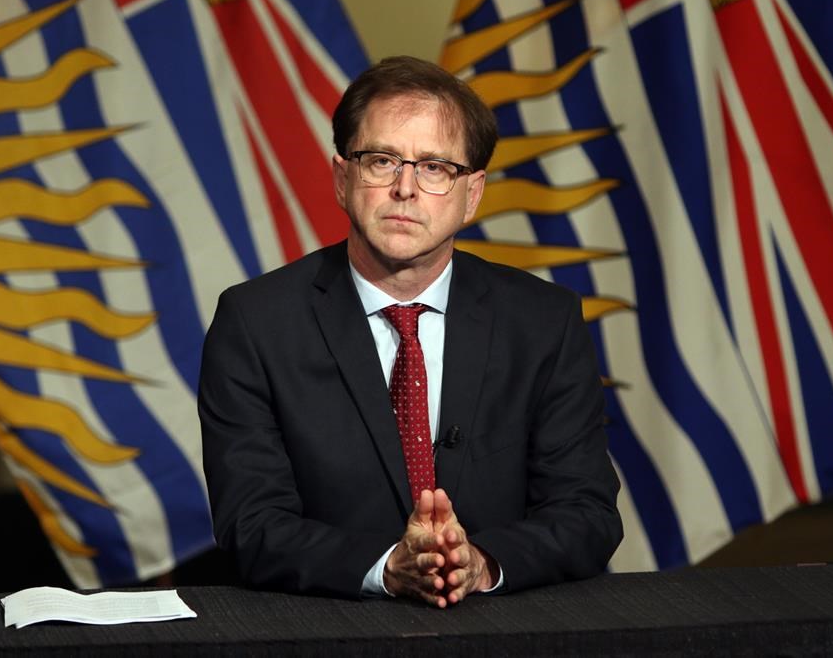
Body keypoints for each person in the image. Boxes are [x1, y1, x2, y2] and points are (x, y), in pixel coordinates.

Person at [198, 55, 622, 607]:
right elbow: (250, 526)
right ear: (342, 178)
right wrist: (386, 569)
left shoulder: (544, 322)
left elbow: (587, 514)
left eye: (435, 168)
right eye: (382, 161)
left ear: (472, 194)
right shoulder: (255, 323)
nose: (405, 188)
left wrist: (480, 563)